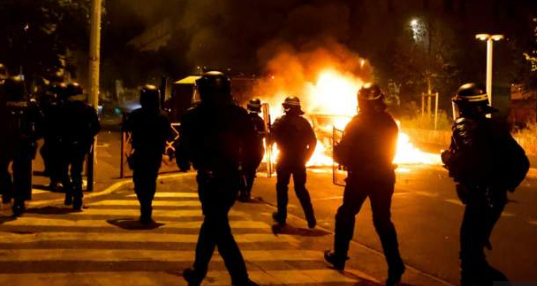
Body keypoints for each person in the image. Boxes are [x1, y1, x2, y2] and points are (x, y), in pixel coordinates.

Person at [441, 83, 529, 286]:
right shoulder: (494, 127)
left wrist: (449, 159)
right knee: (473, 254)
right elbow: (522, 162)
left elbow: (469, 159)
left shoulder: (464, 126)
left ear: (465, 106)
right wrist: (502, 186)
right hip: (493, 200)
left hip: (480, 201)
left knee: (470, 257)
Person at [176, 71, 258, 286]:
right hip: (231, 179)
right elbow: (255, 149)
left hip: (208, 179)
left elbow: (183, 149)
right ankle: (198, 272)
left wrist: (184, 162)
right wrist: (248, 176)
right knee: (214, 224)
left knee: (217, 227)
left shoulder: (192, 116)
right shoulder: (240, 115)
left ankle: (239, 278)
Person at [324, 83, 405, 286]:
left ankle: (340, 256)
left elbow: (344, 152)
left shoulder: (356, 123)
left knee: (346, 213)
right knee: (383, 221)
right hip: (384, 176)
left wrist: (335, 151)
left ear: (360, 101)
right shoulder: (390, 122)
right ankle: (395, 266)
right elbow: (391, 151)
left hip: (361, 177)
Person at [123, 85, 172, 224]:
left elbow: (126, 127)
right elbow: (169, 135)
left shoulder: (137, 114)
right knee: (150, 180)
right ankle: (147, 207)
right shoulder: (163, 116)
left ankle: (144, 207)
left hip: (140, 152)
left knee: (139, 181)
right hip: (155, 154)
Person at [269, 96, 317, 229]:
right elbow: (313, 142)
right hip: (299, 160)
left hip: (284, 159)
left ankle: (282, 215)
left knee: (282, 188)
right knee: (301, 189)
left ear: (286, 107)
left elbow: (270, 140)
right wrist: (306, 157)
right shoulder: (305, 123)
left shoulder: (280, 121)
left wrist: (269, 133)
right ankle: (310, 218)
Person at [52, 82, 100, 210]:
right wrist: (86, 138)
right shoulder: (88, 109)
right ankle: (77, 200)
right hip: (80, 145)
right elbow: (96, 127)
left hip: (64, 144)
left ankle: (70, 191)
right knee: (76, 173)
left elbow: (53, 127)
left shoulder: (60, 109)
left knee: (61, 171)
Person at [0, 76, 42, 216]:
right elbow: (42, 125)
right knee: (21, 174)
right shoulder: (30, 105)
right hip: (24, 144)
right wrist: (32, 137)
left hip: (4, 142)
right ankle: (18, 202)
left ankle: (8, 191)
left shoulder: (1, 103)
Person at [40, 81, 66, 190]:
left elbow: (45, 120)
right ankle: (60, 182)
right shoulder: (63, 105)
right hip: (60, 136)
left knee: (54, 158)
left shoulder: (53, 106)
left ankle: (57, 181)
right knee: (58, 159)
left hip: (55, 136)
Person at [238, 98, 266, 202]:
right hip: (256, 150)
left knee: (242, 171)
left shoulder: (243, 119)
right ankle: (246, 193)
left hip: (244, 149)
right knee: (250, 172)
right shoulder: (260, 121)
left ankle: (243, 192)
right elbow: (263, 135)